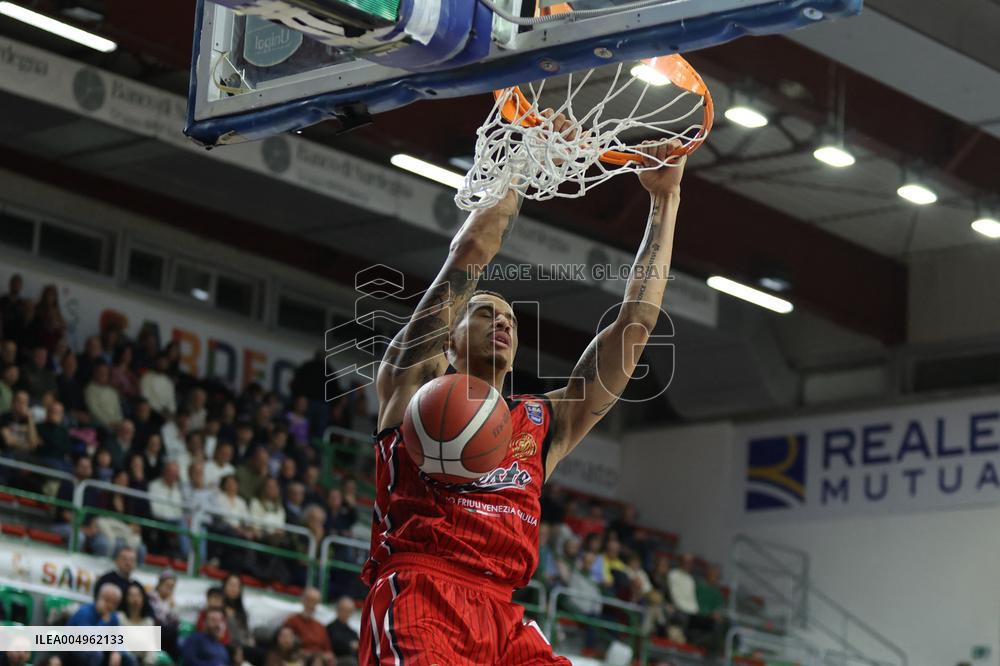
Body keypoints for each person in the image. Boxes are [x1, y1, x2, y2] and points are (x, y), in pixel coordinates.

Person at [358, 129, 687, 664]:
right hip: (422, 593)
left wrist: (664, 199)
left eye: (511, 317)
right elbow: (472, 250)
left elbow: (637, 323)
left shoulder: (541, 422)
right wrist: (522, 159)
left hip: (504, 615)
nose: (502, 322)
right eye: (486, 312)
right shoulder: (414, 384)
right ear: (449, 339)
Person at [67, 584, 132, 666]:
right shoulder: (85, 612)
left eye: (114, 603)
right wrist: (104, 622)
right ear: (99, 597)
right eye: (107, 600)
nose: (110, 605)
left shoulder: (113, 616)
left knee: (127, 658)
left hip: (99, 648)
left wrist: (116, 651)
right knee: (96, 653)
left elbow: (118, 638)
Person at [147, 460, 191, 558]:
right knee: (182, 524)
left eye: (176, 474)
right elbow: (155, 510)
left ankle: (199, 560)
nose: (174, 476)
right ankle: (187, 556)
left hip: (177, 520)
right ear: (165, 472)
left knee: (199, 528)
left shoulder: (179, 488)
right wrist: (177, 517)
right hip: (161, 519)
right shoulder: (154, 486)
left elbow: (182, 508)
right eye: (172, 473)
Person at [283, 588, 335, 666]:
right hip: (300, 658)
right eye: (309, 600)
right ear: (303, 600)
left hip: (318, 659)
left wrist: (327, 656)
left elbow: (328, 649)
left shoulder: (320, 626)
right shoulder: (292, 621)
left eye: (315, 602)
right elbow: (286, 644)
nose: (311, 605)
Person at [95, 546, 145, 610]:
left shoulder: (138, 586)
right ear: (117, 561)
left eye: (132, 560)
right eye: (124, 559)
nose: (128, 563)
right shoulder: (106, 580)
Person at [119, 582, 157, 666]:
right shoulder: (120, 618)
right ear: (125, 598)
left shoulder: (148, 622)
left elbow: (151, 649)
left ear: (143, 598)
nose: (135, 599)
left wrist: (149, 663)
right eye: (131, 595)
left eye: (138, 595)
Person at [148, 570, 182, 661]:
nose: (169, 589)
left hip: (166, 636)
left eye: (172, 587)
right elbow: (155, 619)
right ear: (160, 584)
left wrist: (173, 608)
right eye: (167, 585)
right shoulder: (150, 597)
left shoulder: (171, 603)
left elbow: (177, 623)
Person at [84, 361, 123, 429]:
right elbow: (94, 411)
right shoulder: (90, 389)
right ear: (95, 373)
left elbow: (118, 410)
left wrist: (119, 423)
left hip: (117, 424)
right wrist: (109, 423)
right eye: (100, 372)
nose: (103, 374)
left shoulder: (112, 391)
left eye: (105, 372)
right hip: (101, 424)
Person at [0, 390, 39, 456]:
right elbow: (9, 441)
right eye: (19, 401)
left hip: (25, 456)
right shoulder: (4, 417)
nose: (22, 405)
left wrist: (30, 418)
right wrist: (27, 446)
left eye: (25, 402)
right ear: (13, 402)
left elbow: (33, 443)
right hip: (7, 453)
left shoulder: (30, 421)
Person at [325, 596, 359, 666]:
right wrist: (350, 645)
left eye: (349, 611)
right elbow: (335, 644)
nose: (347, 614)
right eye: (344, 610)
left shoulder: (352, 632)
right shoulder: (330, 628)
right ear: (337, 610)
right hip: (336, 659)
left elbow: (359, 646)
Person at [140, 353, 176, 417]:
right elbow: (145, 397)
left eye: (165, 362)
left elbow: (171, 402)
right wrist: (158, 410)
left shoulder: (169, 383)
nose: (162, 364)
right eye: (160, 361)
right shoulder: (147, 377)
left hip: (165, 415)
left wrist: (170, 412)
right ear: (156, 362)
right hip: (151, 412)